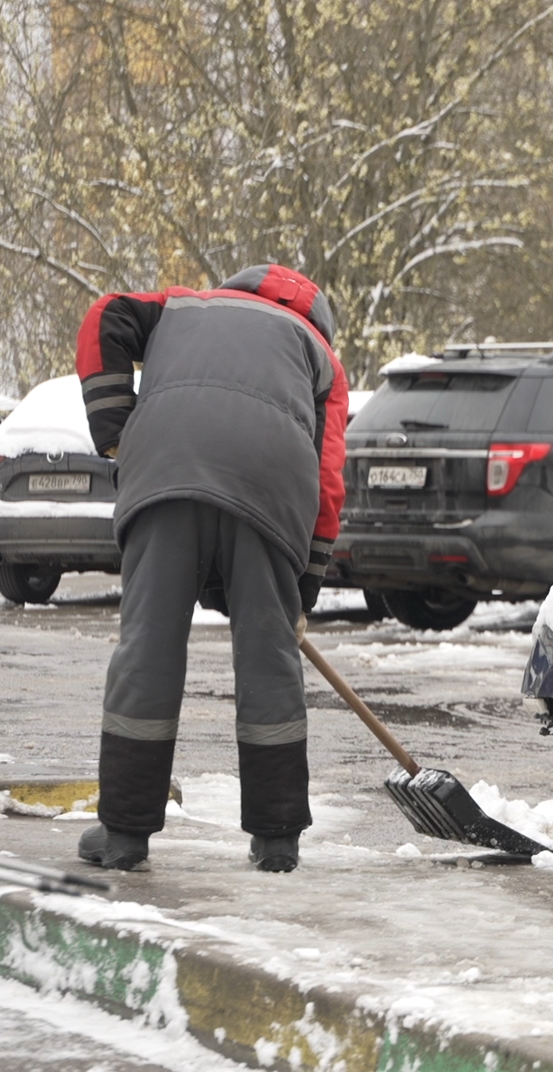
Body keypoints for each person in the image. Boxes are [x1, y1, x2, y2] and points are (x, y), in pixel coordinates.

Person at [72, 264, 348, 873]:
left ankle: (123, 834)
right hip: (272, 481)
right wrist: (299, 591)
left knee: (147, 647)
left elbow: (103, 318)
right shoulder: (320, 355)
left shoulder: (182, 305)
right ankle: (277, 838)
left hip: (166, 465)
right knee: (269, 656)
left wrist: (118, 427)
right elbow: (327, 482)